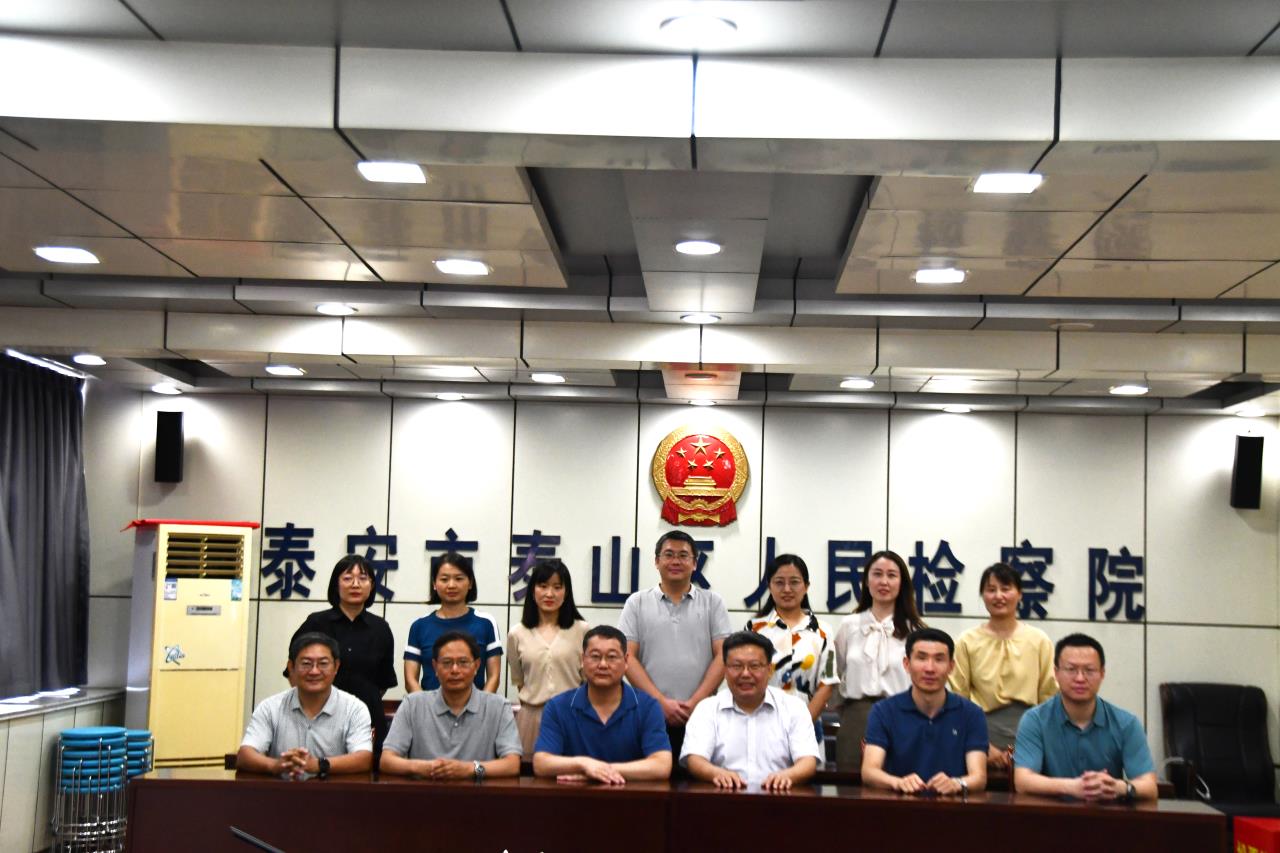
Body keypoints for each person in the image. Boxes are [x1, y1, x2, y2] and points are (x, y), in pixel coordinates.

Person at [619, 531, 732, 761]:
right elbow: (627, 656)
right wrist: (660, 703)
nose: (676, 561)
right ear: (656, 561)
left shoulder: (713, 602)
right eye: (669, 554)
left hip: (702, 715)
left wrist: (695, 703)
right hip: (649, 714)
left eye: (683, 555)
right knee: (652, 779)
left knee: (700, 780)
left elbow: (723, 655)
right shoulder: (637, 602)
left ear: (695, 563)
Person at [1013, 633, 1157, 802]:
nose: (1080, 678)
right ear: (1056, 673)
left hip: (1108, 814)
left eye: (1089, 670)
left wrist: (1119, 787)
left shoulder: (1127, 724)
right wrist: (1072, 787)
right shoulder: (1034, 720)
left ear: (1102, 673)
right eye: (1071, 669)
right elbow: (1023, 781)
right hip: (1052, 815)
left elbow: (1149, 786)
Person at [681, 632, 821, 791]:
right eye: (737, 666)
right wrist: (716, 773)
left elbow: (807, 762)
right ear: (725, 670)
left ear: (769, 670)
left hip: (779, 798)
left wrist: (788, 775)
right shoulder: (707, 709)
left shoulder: (794, 708)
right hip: (723, 797)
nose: (745, 674)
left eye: (754, 666)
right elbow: (695, 759)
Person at [949, 562, 1056, 770]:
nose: (998, 596)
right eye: (991, 590)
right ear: (983, 595)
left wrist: (1031, 745)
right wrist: (980, 744)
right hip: (981, 736)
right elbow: (959, 700)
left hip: (1031, 735)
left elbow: (1049, 697)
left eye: (1006, 589)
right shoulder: (966, 641)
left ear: (1020, 594)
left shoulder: (1039, 640)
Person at [532, 625, 672, 784]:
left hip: (630, 796)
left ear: (626, 661)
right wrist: (584, 764)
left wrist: (598, 771)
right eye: (595, 656)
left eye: (612, 657)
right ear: (582, 660)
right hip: (574, 796)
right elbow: (541, 764)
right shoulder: (558, 707)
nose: (603, 664)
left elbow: (662, 765)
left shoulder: (648, 707)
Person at [288, 554, 397, 753]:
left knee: (367, 768)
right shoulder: (316, 623)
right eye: (347, 578)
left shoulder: (381, 628)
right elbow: (294, 672)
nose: (355, 584)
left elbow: (383, 682)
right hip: (319, 717)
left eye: (362, 578)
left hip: (368, 717)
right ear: (336, 585)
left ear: (372, 585)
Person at [862, 627, 988, 796]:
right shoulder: (883, 711)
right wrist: (898, 782)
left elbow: (979, 777)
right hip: (899, 803)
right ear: (906, 664)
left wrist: (957, 783)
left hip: (953, 805)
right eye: (921, 658)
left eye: (939, 659)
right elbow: (869, 771)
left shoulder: (972, 714)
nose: (930, 668)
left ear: (951, 667)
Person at [379, 631, 521, 779]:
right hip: (425, 789)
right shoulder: (412, 704)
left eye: (463, 662)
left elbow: (512, 764)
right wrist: (425, 768)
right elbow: (387, 761)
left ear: (477, 666)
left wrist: (470, 769)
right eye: (447, 663)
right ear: (435, 667)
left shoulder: (498, 707)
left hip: (477, 791)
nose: (455, 670)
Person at [833, 549, 926, 770]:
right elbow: (836, 674)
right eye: (877, 574)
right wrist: (845, 711)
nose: (884, 581)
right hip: (856, 718)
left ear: (902, 583)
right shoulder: (849, 625)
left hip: (902, 715)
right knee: (849, 783)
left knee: (901, 782)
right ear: (866, 581)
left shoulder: (915, 630)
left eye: (892, 575)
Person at [237, 632, 373, 779]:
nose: (314, 671)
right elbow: (245, 755)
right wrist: (276, 765)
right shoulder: (270, 707)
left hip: (334, 792)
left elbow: (364, 758)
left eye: (323, 663)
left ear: (336, 667)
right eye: (306, 663)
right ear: (291, 667)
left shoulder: (354, 709)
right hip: (282, 791)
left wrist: (319, 765)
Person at [745, 554, 838, 739]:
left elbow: (827, 683)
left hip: (808, 724)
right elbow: (745, 676)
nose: (787, 589)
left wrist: (802, 725)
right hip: (761, 721)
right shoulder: (754, 629)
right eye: (779, 582)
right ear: (769, 586)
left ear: (806, 586)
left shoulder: (822, 631)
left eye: (794, 582)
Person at [506, 558, 590, 756]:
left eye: (557, 587)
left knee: (572, 771)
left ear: (566, 592)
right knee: (529, 772)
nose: (549, 594)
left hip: (573, 716)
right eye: (543, 586)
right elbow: (519, 681)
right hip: (531, 717)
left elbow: (588, 680)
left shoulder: (582, 630)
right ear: (532, 590)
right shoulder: (517, 633)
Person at [404, 552, 502, 693]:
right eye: (444, 579)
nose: (451, 585)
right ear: (434, 584)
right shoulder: (419, 626)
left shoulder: (485, 623)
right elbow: (410, 679)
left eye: (459, 578)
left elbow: (494, 677)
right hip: (428, 706)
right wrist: (425, 706)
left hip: (477, 706)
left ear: (470, 583)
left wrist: (481, 705)